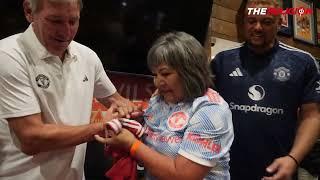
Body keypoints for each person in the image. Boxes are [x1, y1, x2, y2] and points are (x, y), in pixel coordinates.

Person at [0, 0, 140, 179]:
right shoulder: (8, 56)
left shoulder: (87, 57)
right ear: (29, 11)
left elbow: (117, 101)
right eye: (55, 21)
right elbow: (31, 139)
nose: (66, 32)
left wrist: (126, 110)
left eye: (73, 21)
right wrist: (101, 128)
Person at [95, 31, 234, 179]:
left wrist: (131, 144)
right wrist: (130, 122)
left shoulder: (211, 111)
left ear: (190, 72)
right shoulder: (159, 98)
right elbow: (149, 136)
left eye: (165, 74)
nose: (157, 82)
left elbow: (183, 176)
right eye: (155, 75)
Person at [211, 0, 320, 179]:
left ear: (280, 22)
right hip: (226, 171)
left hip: (277, 170)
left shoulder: (303, 62)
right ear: (244, 22)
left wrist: (293, 159)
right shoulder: (221, 61)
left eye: (267, 21)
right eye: (251, 21)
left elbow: (312, 116)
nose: (258, 27)